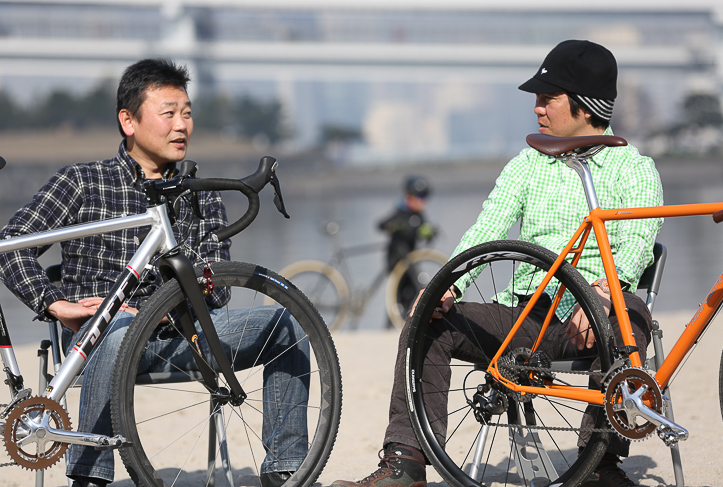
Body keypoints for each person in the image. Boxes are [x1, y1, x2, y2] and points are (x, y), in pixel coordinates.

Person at [330, 40, 663, 487]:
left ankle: (598, 464)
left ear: (585, 106)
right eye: (537, 100)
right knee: (429, 319)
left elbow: (637, 244)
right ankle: (405, 464)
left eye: (549, 99)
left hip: (595, 319)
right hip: (523, 316)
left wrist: (603, 295)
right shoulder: (528, 164)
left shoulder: (634, 170)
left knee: (631, 322)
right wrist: (448, 285)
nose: (537, 110)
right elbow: (486, 231)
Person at [0, 59, 309, 487]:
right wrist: (57, 305)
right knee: (120, 323)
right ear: (128, 120)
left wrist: (169, 305)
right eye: (168, 113)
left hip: (185, 339)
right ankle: (90, 479)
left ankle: (286, 470)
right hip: (99, 339)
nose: (181, 124)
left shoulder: (199, 193)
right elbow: (11, 246)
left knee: (284, 325)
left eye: (187, 112)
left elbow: (218, 293)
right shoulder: (83, 182)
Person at [377, 176, 436, 321]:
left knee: (412, 292)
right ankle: (391, 324)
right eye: (420, 196)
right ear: (409, 196)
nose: (423, 201)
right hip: (396, 260)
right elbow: (380, 224)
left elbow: (423, 231)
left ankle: (405, 321)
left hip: (410, 261)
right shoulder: (400, 211)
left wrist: (430, 233)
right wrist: (395, 226)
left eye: (425, 196)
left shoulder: (418, 214)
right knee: (397, 294)